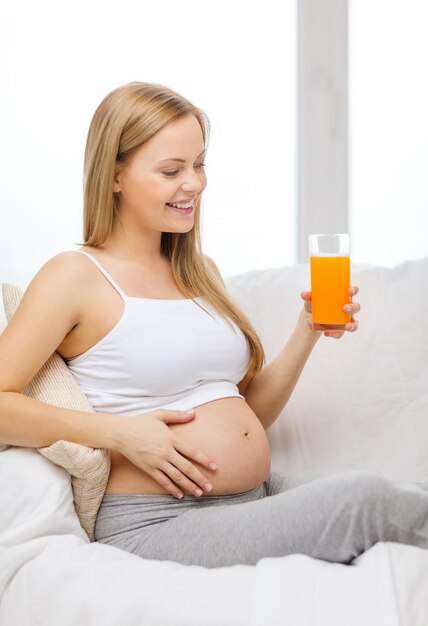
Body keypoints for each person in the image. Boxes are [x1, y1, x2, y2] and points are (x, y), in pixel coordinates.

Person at [1, 81, 428, 569]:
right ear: (115, 174)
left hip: (250, 497)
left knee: (406, 489)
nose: (195, 184)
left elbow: (250, 413)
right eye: (171, 170)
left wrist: (307, 329)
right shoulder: (75, 276)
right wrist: (117, 433)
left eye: (200, 164)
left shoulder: (199, 271)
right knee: (366, 501)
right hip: (157, 522)